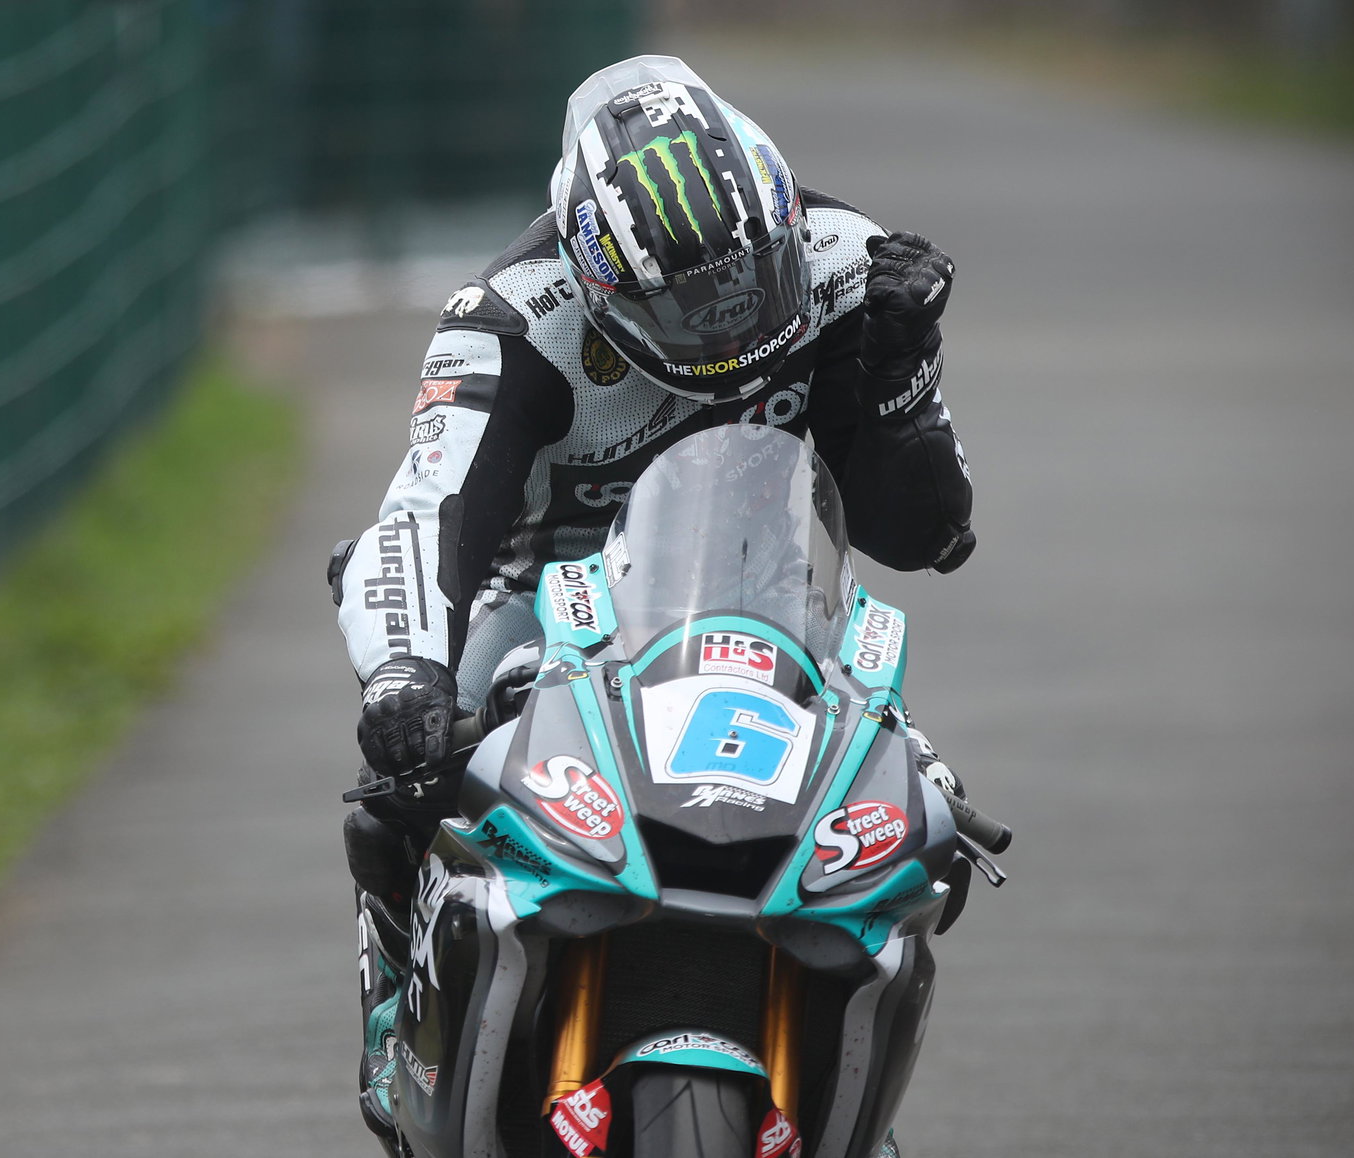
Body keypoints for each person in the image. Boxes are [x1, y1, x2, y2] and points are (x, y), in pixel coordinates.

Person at [330, 54, 973, 1151]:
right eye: (686, 301)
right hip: (544, 605)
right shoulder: (506, 320)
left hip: (774, 604)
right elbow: (425, 512)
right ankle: (405, 1012)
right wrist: (407, 674)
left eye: (746, 278)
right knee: (405, 779)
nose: (728, 322)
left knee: (929, 828)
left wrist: (900, 385)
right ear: (593, 276)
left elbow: (926, 536)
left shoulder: (847, 262)